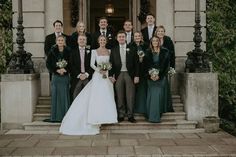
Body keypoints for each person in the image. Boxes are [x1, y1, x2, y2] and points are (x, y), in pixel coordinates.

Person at [60, 35, 117, 135]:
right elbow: (92, 64)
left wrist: (107, 70)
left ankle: (106, 117)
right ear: (98, 41)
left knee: (107, 96)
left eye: (104, 40)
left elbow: (111, 63)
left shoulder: (110, 51)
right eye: (101, 40)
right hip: (98, 76)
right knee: (97, 97)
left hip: (107, 76)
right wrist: (100, 70)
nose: (102, 41)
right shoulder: (94, 51)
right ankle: (96, 117)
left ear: (106, 41)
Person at [109, 30, 139, 123]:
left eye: (123, 36)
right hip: (118, 75)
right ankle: (121, 114)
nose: (121, 38)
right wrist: (111, 75)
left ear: (126, 38)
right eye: (120, 37)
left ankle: (130, 115)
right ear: (117, 39)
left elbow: (137, 63)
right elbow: (111, 64)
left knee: (130, 95)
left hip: (129, 74)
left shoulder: (132, 48)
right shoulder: (114, 49)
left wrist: (137, 75)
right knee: (119, 95)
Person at [145, 36, 173, 123]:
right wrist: (151, 74)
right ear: (151, 42)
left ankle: (157, 114)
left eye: (156, 40)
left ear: (159, 42)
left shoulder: (165, 52)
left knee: (158, 96)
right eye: (153, 41)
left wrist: (159, 75)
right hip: (150, 78)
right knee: (152, 95)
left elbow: (166, 66)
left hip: (161, 78)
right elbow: (145, 66)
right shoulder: (147, 52)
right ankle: (151, 116)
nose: (155, 42)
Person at [46, 35, 71, 122]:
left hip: (65, 77)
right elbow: (48, 64)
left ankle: (65, 116)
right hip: (56, 77)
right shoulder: (52, 51)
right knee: (56, 95)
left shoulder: (69, 51)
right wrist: (56, 70)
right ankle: (55, 117)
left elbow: (72, 63)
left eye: (62, 40)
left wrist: (66, 70)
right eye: (59, 40)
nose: (60, 42)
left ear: (64, 42)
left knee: (65, 94)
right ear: (56, 42)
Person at [129, 31, 149, 114]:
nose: (137, 37)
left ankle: (142, 108)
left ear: (141, 37)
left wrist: (143, 58)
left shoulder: (145, 45)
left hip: (143, 70)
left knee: (142, 89)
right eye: (135, 36)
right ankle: (133, 107)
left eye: (139, 36)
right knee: (133, 90)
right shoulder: (130, 46)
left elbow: (149, 56)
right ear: (133, 37)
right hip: (133, 71)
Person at [70, 34, 93, 101]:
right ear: (77, 41)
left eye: (83, 39)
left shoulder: (90, 51)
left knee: (88, 96)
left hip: (87, 77)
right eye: (80, 39)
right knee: (75, 96)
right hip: (77, 77)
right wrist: (79, 75)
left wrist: (86, 74)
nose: (82, 41)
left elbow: (93, 64)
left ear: (86, 41)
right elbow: (71, 65)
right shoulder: (73, 51)